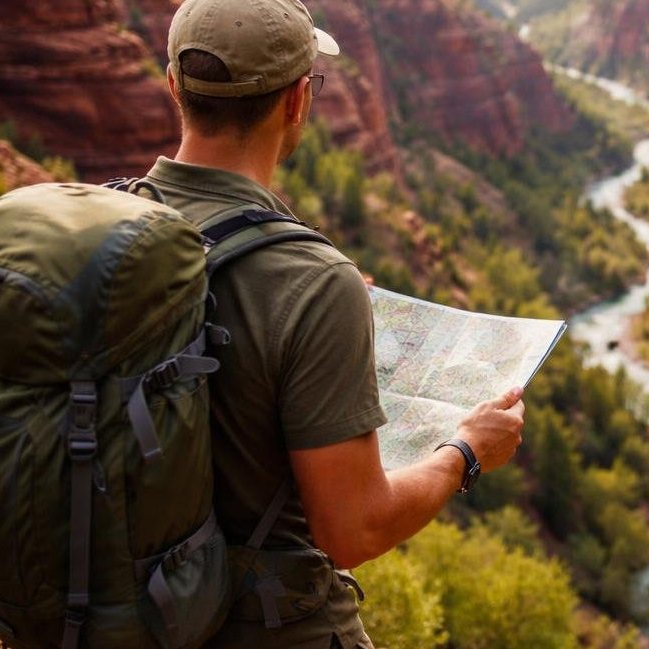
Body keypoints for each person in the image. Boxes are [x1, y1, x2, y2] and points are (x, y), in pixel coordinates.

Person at [141, 1, 526, 647]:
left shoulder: (110, 224)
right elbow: (353, 531)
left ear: (175, 86)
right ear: (298, 101)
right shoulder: (312, 280)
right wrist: (467, 452)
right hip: (256, 626)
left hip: (105, 603)